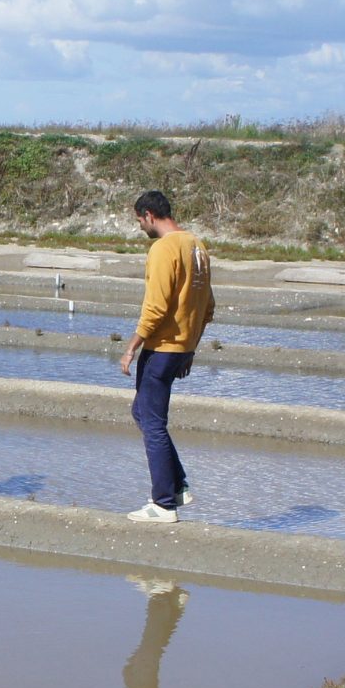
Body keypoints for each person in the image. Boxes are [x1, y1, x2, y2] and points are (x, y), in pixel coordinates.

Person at [118, 189, 213, 521]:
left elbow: (156, 307)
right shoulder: (197, 246)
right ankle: (177, 485)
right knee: (142, 412)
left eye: (139, 221)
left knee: (153, 422)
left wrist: (131, 348)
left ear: (148, 215)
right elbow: (207, 307)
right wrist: (190, 349)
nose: (141, 228)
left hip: (161, 348)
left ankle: (163, 503)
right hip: (180, 348)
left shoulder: (163, 249)